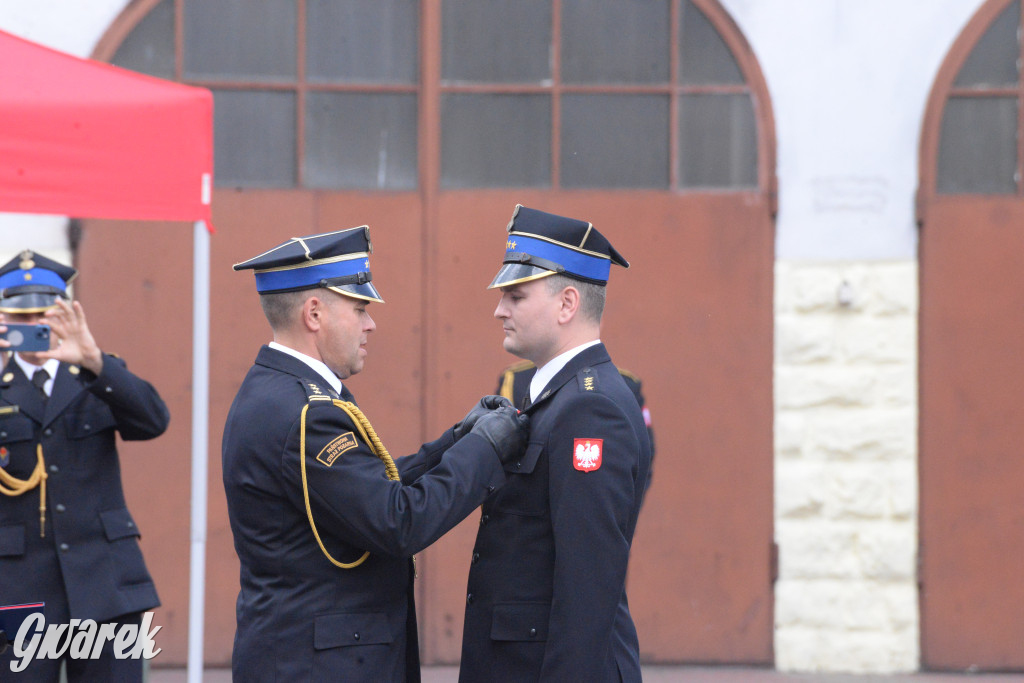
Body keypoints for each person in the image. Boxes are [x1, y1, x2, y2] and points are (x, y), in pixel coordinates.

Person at [223, 226, 528, 682]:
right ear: (313, 313)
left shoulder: (283, 391)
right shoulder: (306, 412)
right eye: (360, 308)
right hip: (321, 666)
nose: (370, 324)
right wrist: (485, 450)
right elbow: (397, 522)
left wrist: (456, 441)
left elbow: (358, 492)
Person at [459, 205, 652, 682]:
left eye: (516, 296)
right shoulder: (558, 396)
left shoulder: (591, 407)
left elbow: (588, 584)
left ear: (567, 304)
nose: (499, 309)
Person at [0, 250, 169, 682]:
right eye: (22, 317)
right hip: (18, 591)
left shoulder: (96, 373)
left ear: (67, 316)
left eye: (46, 314)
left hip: (105, 583)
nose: (35, 326)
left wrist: (94, 361)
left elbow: (153, 421)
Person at [496, 360, 655, 502]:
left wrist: (622, 519)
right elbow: (501, 461)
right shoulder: (516, 380)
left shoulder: (625, 384)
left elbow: (641, 460)